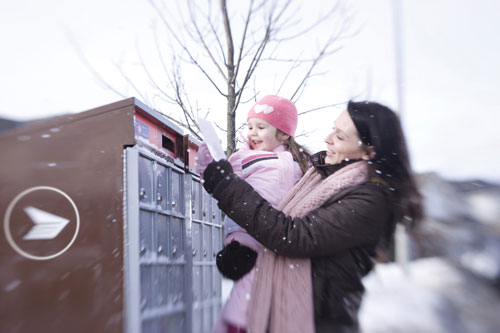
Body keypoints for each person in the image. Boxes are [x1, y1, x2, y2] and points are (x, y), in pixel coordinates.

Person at [200, 100, 423, 333]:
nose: (328, 138)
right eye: (333, 128)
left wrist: (228, 187)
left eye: (340, 136)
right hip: (288, 312)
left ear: (370, 152)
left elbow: (293, 236)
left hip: (317, 322)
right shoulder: (323, 177)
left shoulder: (370, 201)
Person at [196, 95, 310, 333]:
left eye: (261, 127)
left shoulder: (301, 161)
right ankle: (235, 326)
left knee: (277, 297)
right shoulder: (242, 158)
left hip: (282, 234)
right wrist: (208, 158)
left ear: (284, 134)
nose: (252, 133)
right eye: (249, 127)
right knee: (248, 288)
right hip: (247, 233)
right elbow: (216, 179)